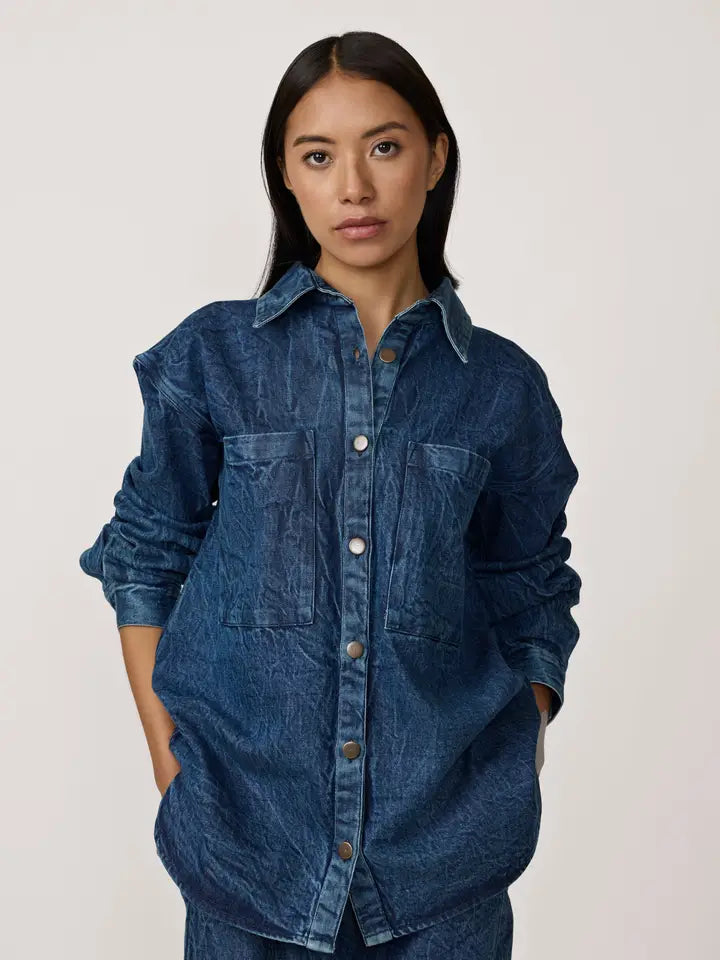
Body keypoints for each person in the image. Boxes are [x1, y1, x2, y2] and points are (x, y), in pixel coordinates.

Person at [78, 30, 581, 960]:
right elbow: (145, 554)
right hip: (245, 854)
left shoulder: (500, 386)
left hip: (446, 867)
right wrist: (169, 762)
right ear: (287, 175)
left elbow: (530, 579)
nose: (354, 186)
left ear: (435, 158)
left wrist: (527, 727)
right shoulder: (215, 358)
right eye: (318, 156)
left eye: (384, 146)